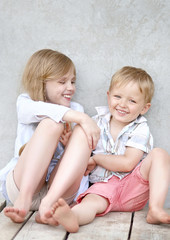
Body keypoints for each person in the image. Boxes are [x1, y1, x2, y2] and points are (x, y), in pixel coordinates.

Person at [51, 66, 170, 233]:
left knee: (160, 154)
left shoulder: (140, 129)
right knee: (90, 203)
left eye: (132, 101)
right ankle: (72, 216)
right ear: (108, 96)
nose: (122, 104)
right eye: (118, 96)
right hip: (101, 188)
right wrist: (69, 143)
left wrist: (97, 159)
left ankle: (155, 208)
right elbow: (80, 152)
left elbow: (128, 163)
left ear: (144, 108)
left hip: (133, 187)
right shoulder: (95, 122)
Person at [0, 49, 100, 224]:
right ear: (41, 82)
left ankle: (47, 204)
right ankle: (23, 201)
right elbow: (48, 113)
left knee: (82, 132)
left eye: (73, 81)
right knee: (52, 123)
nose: (71, 87)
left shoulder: (76, 109)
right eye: (62, 81)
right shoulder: (25, 102)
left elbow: (77, 159)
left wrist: (70, 143)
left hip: (59, 196)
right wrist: (82, 119)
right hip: (22, 187)